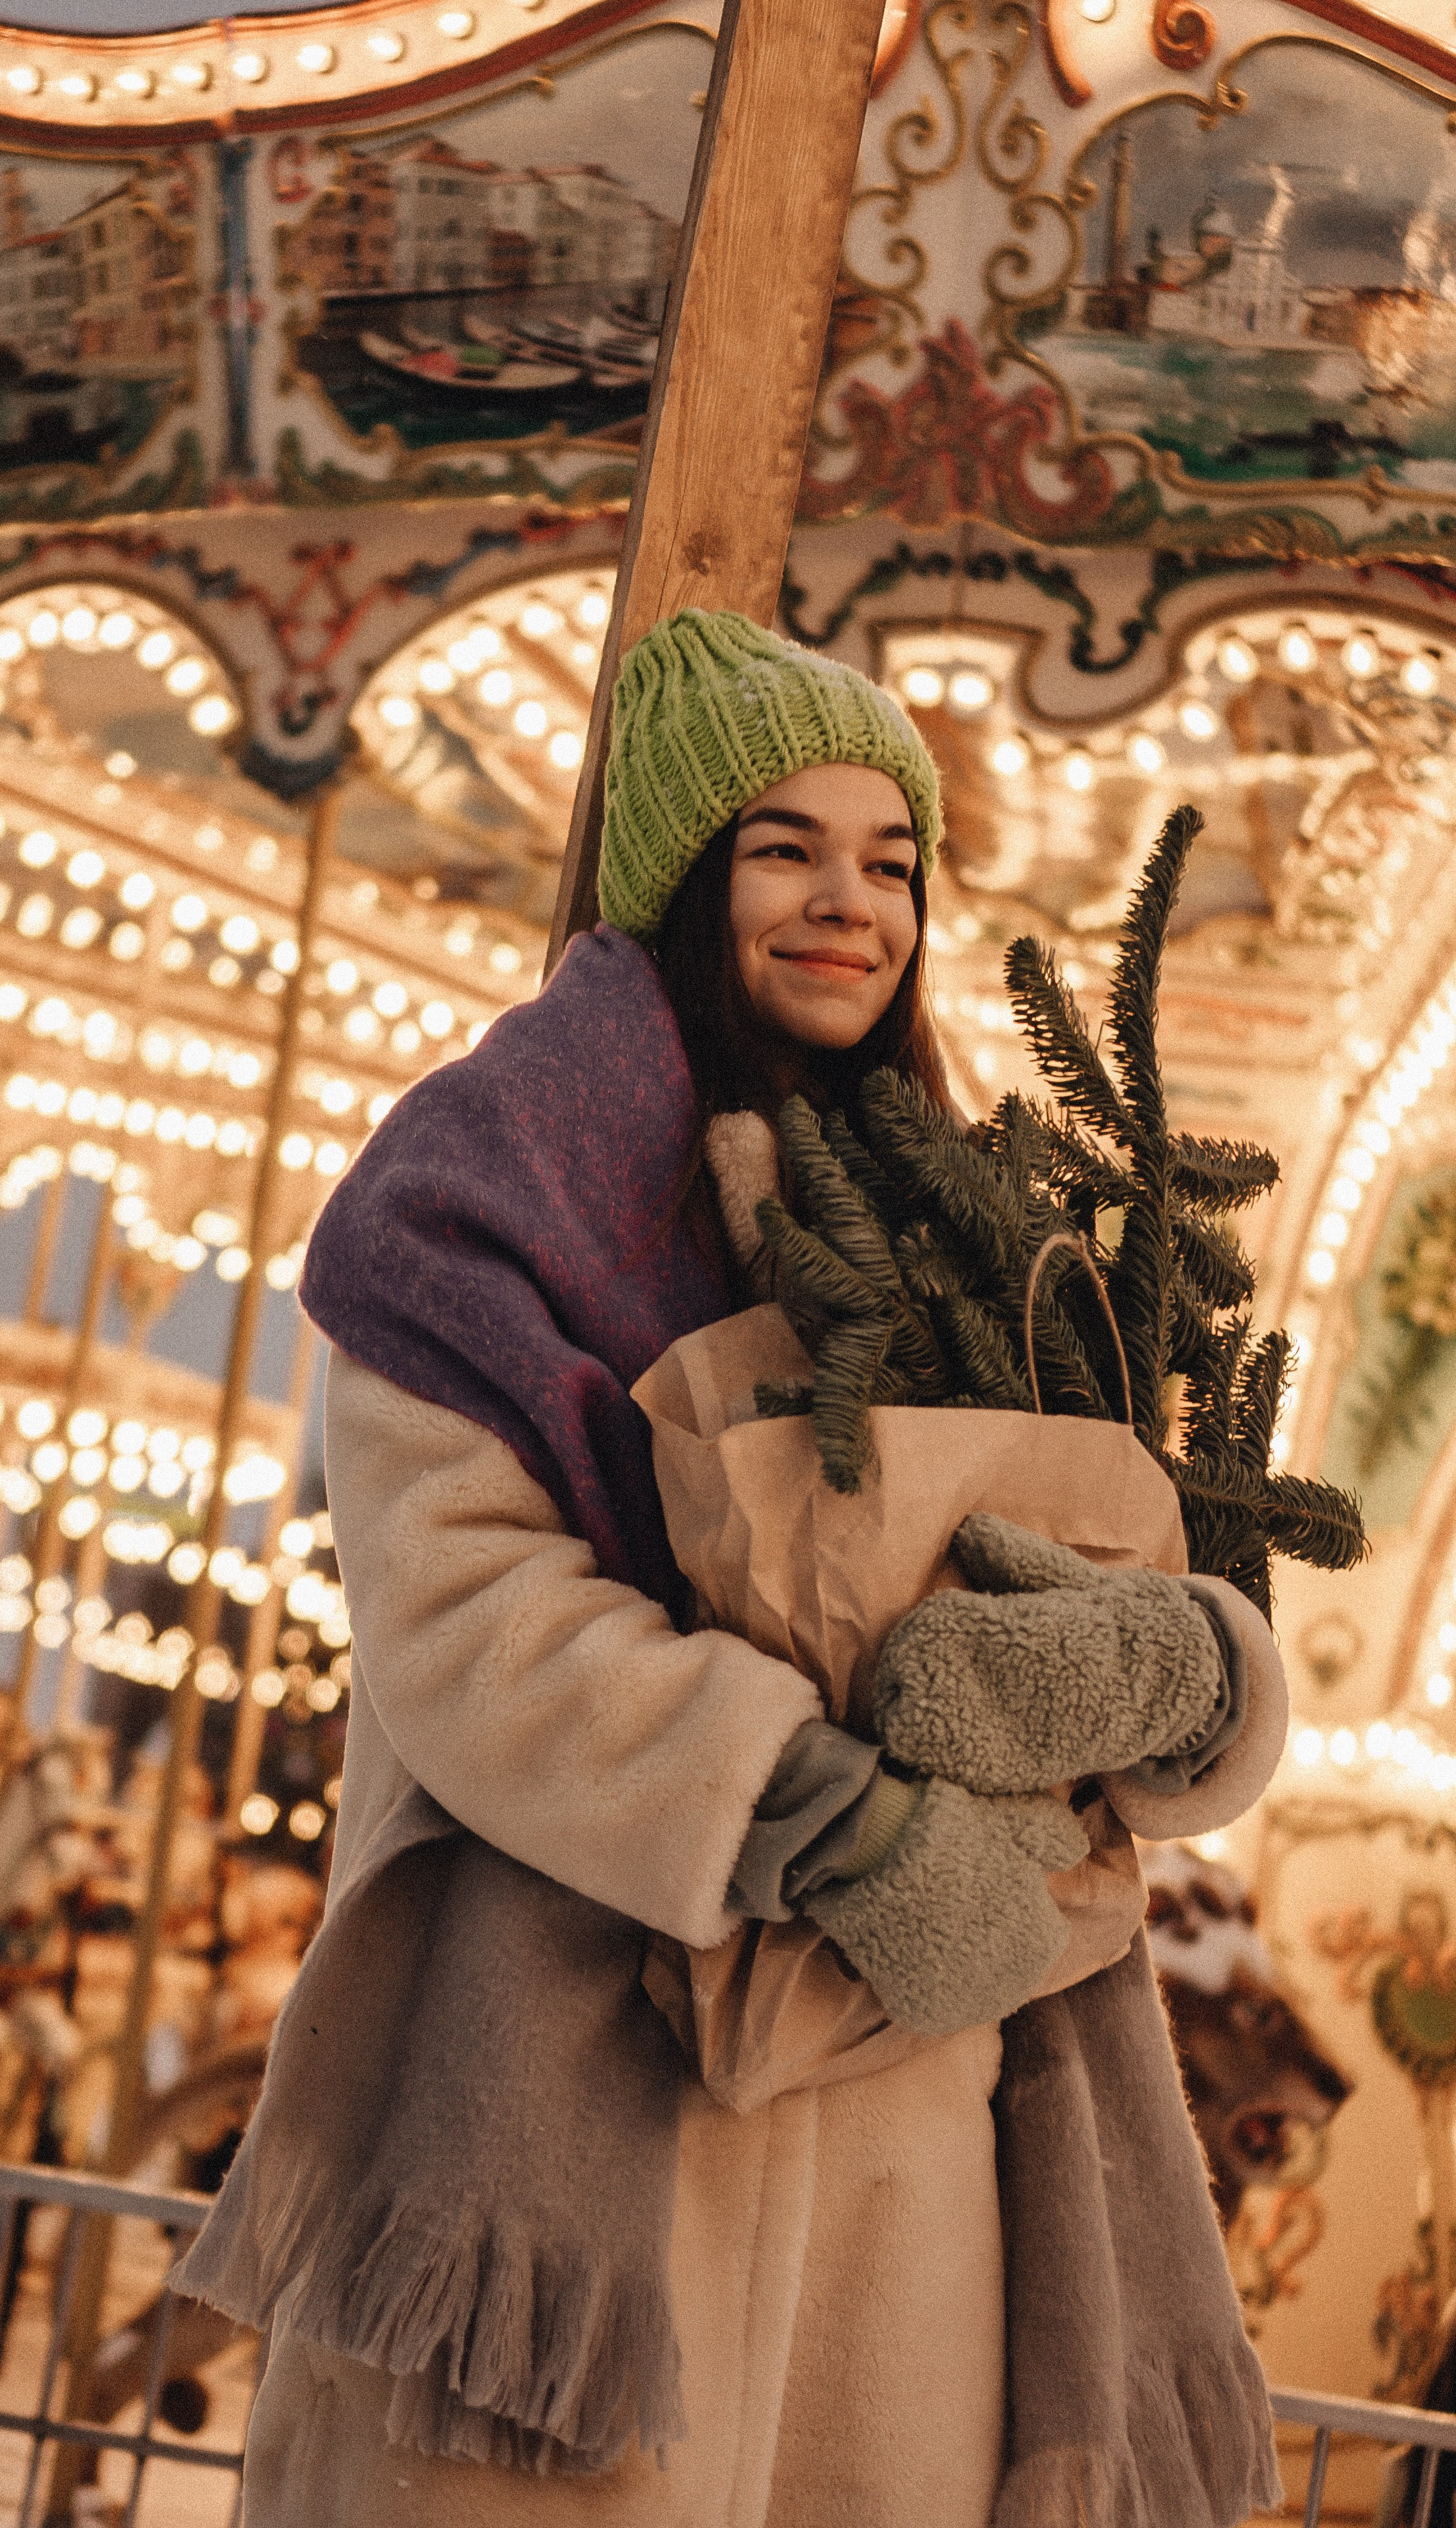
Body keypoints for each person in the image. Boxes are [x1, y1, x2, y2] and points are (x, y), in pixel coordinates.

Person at [179, 610, 1286, 2527]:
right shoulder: (485, 1204)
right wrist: (818, 1813)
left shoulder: (985, 1223)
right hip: (598, 2074)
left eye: (891, 861)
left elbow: (1142, 1543)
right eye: (786, 848)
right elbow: (469, 1619)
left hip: (913, 2125)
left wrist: (1191, 1672)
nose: (849, 903)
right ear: (689, 877)